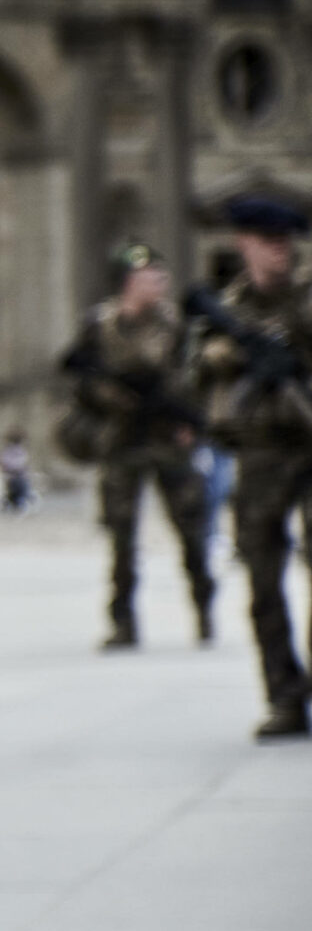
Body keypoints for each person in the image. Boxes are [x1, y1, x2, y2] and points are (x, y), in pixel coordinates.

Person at [194, 197, 312, 737]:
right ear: (244, 244)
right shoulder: (226, 312)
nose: (281, 251)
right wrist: (227, 359)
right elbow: (193, 382)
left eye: (287, 241)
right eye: (269, 241)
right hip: (260, 452)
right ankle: (284, 695)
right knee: (263, 578)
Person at [61, 243, 213, 649]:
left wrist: (189, 423)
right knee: (122, 536)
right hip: (122, 440)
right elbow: (81, 382)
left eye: (162, 276)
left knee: (191, 530)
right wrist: (113, 397)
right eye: (152, 277)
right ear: (130, 282)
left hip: (167, 438)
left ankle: (204, 606)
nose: (160, 283)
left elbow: (195, 379)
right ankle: (123, 621)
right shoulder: (100, 326)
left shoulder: (176, 326)